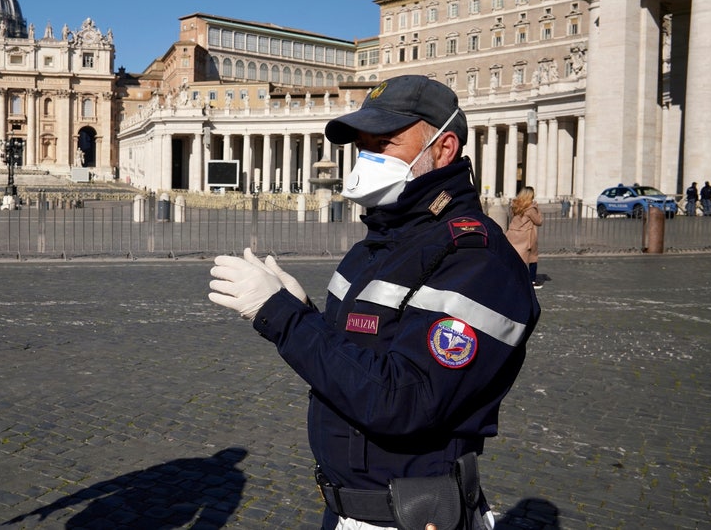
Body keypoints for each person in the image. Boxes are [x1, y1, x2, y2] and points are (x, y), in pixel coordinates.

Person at [208, 75, 540, 530]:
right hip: (348, 507)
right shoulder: (378, 244)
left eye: (383, 144)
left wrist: (283, 317)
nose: (367, 160)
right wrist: (303, 310)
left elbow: (403, 401)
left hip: (411, 514)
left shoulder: (478, 259)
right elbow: (356, 357)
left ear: (442, 150)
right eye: (362, 147)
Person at [506, 187, 544, 289]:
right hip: (525, 236)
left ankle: (512, 278)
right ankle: (531, 281)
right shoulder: (531, 208)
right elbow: (538, 222)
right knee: (532, 258)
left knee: (513, 257)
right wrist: (537, 209)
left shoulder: (514, 205)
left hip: (513, 234)